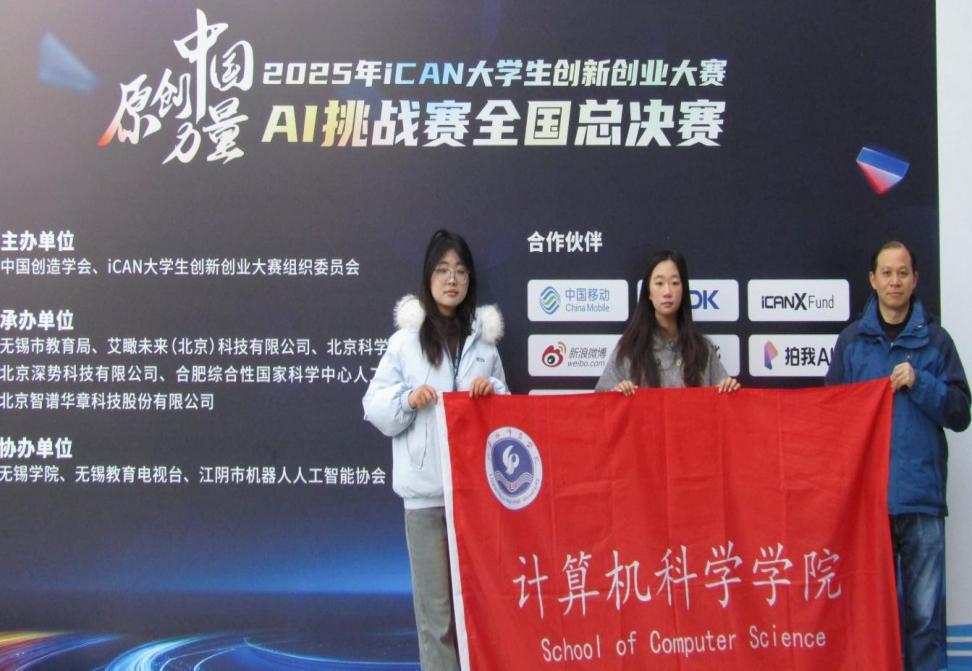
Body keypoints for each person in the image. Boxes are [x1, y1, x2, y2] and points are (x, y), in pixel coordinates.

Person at [362, 229, 508, 671]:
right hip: (425, 501)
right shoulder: (405, 342)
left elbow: (508, 420)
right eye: (443, 270)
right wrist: (408, 399)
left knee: (478, 614)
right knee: (437, 620)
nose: (452, 279)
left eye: (460, 271)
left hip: (477, 501)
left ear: (470, 280)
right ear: (428, 277)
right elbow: (373, 406)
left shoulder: (485, 342)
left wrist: (491, 390)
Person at [826, 240, 970, 671]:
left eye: (902, 273)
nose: (895, 281)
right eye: (887, 273)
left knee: (925, 620)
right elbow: (830, 418)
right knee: (872, 619)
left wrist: (920, 382)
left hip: (921, 500)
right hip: (868, 506)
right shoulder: (852, 342)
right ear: (872, 280)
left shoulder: (937, 342)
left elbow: (960, 413)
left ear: (915, 279)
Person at [596, 249, 740, 394]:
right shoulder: (629, 349)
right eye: (659, 283)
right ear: (648, 292)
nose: (667, 292)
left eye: (675, 283)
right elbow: (601, 401)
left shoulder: (702, 349)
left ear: (683, 290)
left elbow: (723, 401)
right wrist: (616, 394)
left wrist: (728, 389)